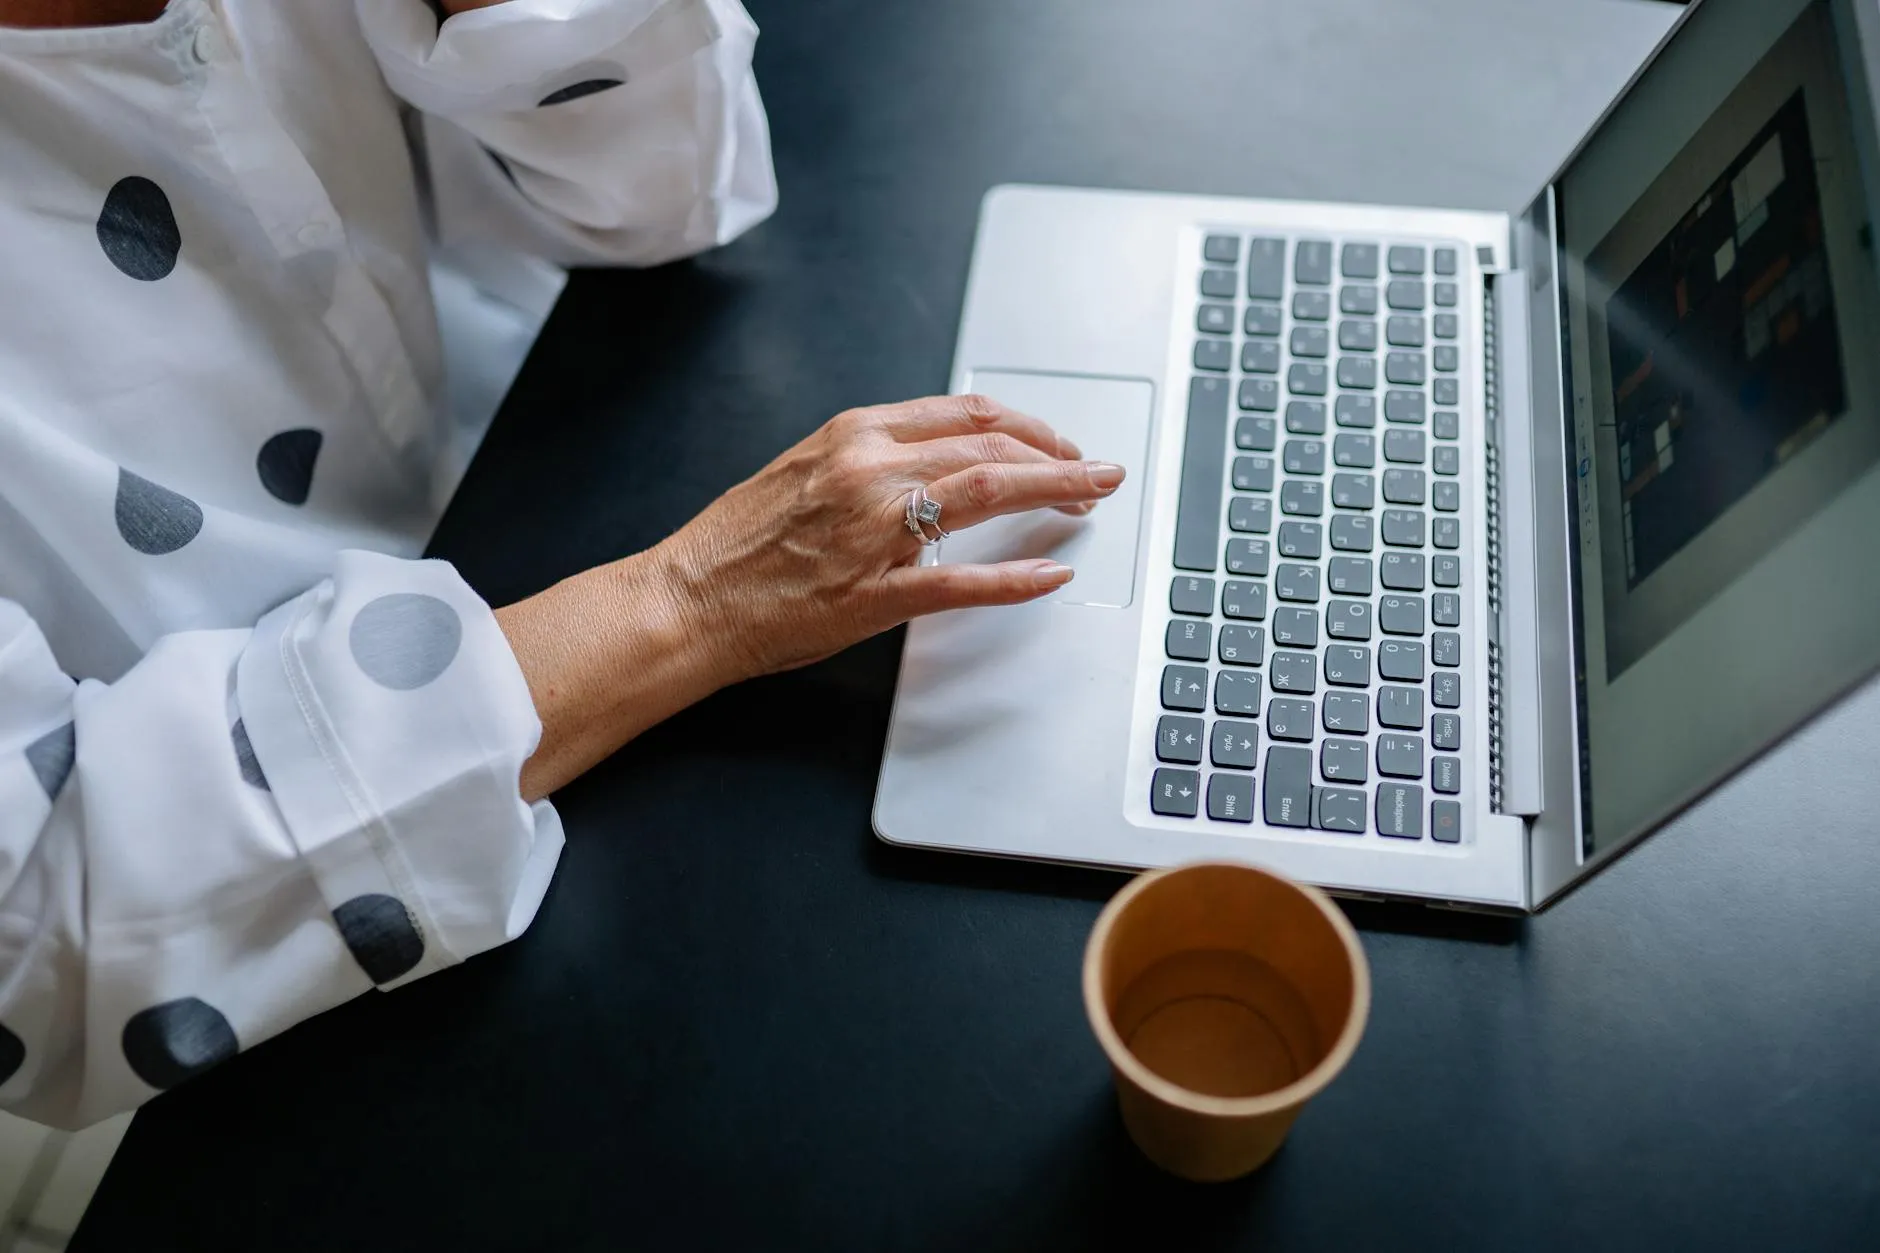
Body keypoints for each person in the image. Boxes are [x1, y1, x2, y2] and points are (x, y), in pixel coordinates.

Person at [0, 0, 1121, 1129]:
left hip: (541, 452)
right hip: (299, 880)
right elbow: (40, 930)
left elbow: (657, 202)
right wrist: (691, 601)